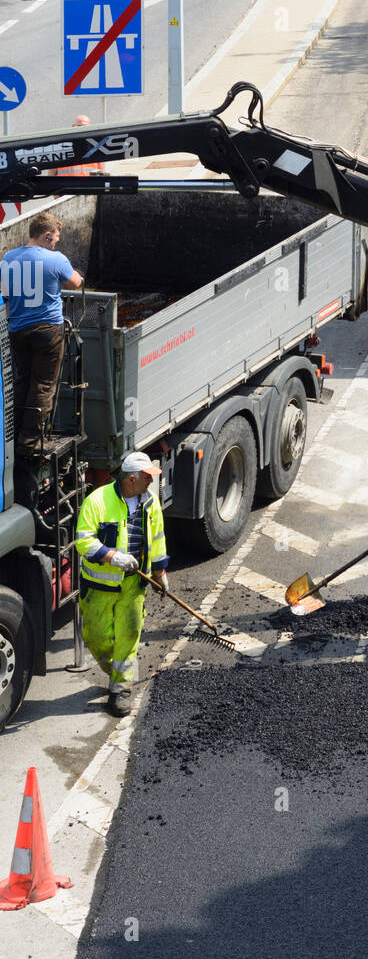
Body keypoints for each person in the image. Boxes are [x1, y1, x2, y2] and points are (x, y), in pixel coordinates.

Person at [75, 451, 169, 717]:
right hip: (98, 587)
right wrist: (113, 557)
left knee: (128, 636)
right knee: (96, 637)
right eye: (147, 478)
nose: (151, 483)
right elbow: (83, 541)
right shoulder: (98, 501)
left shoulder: (150, 502)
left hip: (133, 586)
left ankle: (120, 689)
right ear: (131, 479)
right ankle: (116, 670)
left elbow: (159, 538)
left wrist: (161, 574)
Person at [0, 212, 83, 456]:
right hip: (47, 330)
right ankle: (32, 440)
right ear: (47, 236)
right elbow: (76, 283)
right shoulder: (55, 259)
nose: (56, 242)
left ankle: (12, 437)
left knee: (22, 382)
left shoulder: (8, 258)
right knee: (43, 385)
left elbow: (5, 292)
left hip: (17, 330)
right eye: (55, 238)